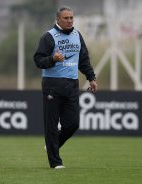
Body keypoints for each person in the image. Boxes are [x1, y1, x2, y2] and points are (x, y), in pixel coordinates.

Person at [34, 6, 98, 169]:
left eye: (71, 18)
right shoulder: (49, 37)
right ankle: (55, 162)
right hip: (52, 85)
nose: (70, 20)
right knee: (51, 124)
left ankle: (52, 145)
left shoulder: (77, 35)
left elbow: (83, 58)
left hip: (72, 84)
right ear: (58, 19)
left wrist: (91, 77)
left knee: (73, 123)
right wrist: (53, 59)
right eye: (66, 18)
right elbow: (38, 60)